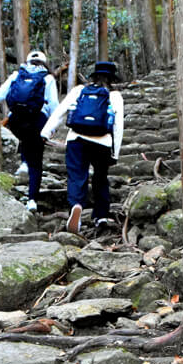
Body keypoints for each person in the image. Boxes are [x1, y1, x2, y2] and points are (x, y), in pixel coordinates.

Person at [41, 60, 124, 234]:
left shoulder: (79, 90)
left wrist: (46, 132)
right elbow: (118, 126)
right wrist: (114, 153)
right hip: (102, 141)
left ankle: (76, 205)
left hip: (76, 139)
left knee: (77, 175)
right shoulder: (114, 95)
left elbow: (61, 111)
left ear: (93, 75)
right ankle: (100, 215)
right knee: (101, 178)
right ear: (112, 78)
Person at [0, 50, 58, 211]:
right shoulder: (48, 78)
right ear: (44, 62)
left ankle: (24, 161)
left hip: (16, 120)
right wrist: (53, 128)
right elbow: (54, 105)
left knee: (24, 138)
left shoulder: (17, 75)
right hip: (38, 121)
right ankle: (32, 200)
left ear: (27, 61)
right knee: (36, 163)